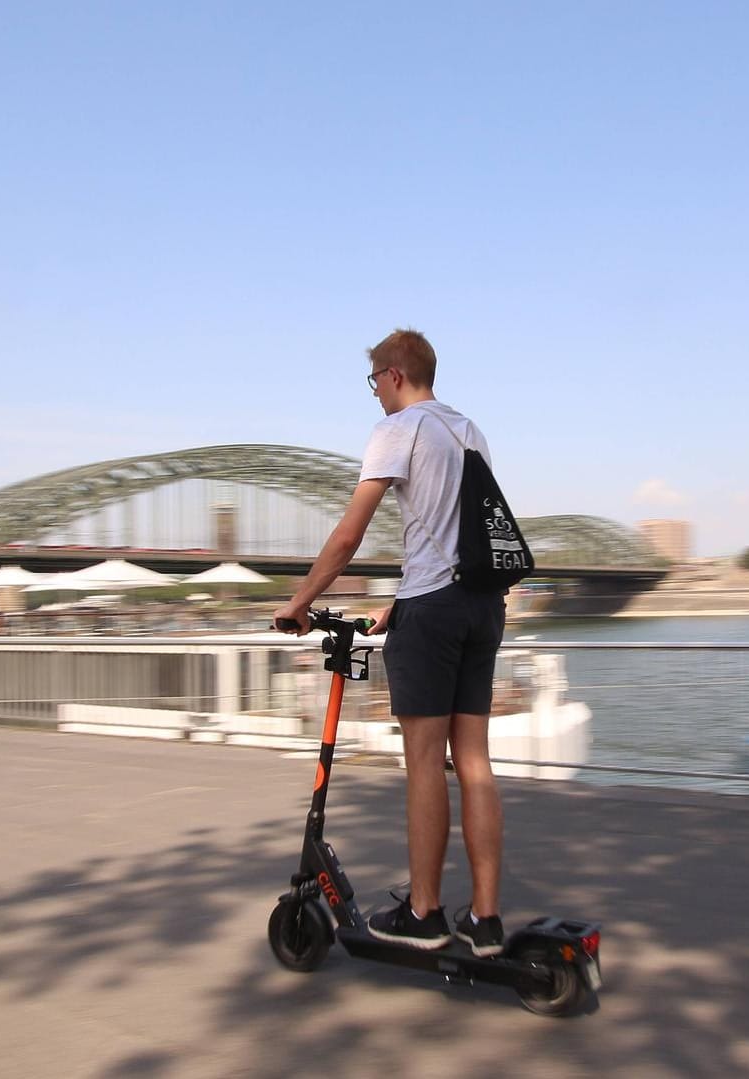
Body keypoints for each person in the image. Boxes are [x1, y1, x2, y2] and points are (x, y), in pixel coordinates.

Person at [273, 328, 508, 957]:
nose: (374, 390)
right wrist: (400, 602)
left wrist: (297, 604)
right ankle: (486, 919)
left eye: (374, 379)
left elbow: (349, 536)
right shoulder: (468, 430)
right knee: (476, 763)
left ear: (395, 374)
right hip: (483, 606)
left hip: (433, 612)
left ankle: (426, 912)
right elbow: (462, 538)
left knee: (425, 762)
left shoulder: (398, 429)